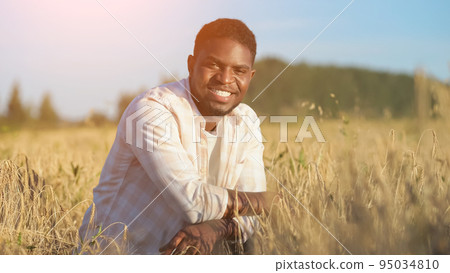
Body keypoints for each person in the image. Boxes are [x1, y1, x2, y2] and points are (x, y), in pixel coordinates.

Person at [78, 18, 276, 255]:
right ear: (191, 64)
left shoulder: (246, 121)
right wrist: (267, 201)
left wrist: (216, 228)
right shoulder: (151, 110)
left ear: (250, 76)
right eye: (213, 65)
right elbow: (193, 203)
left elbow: (250, 221)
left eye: (239, 71)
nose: (225, 79)